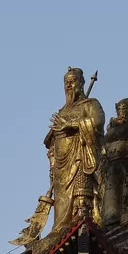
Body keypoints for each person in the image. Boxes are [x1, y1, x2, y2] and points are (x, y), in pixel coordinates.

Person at [44, 67, 105, 234]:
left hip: (79, 156)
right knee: (61, 202)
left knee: (80, 198)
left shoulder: (90, 104)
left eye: (72, 81)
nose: (69, 85)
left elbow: (97, 122)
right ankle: (60, 230)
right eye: (66, 82)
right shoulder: (62, 111)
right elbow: (50, 140)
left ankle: (80, 222)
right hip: (61, 164)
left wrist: (71, 125)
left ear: (81, 83)